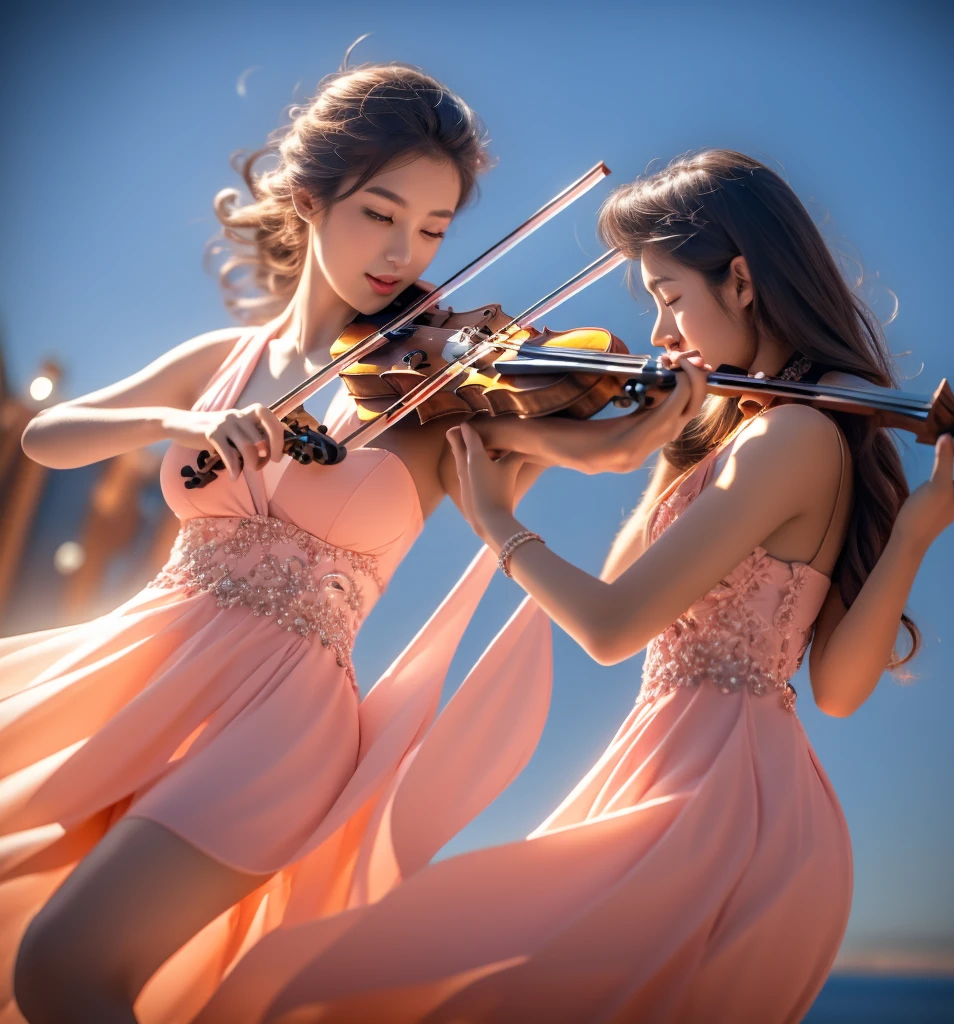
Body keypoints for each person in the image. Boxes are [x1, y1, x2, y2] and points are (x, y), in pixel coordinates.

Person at [191, 150, 954, 1024]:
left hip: (712, 795)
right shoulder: (769, 435)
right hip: (717, 778)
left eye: (668, 294)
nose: (659, 331)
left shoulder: (789, 439)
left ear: (740, 280)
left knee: (380, 981)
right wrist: (663, 447)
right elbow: (816, 686)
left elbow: (612, 627)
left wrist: (496, 519)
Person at [2, 60, 557, 1024]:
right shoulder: (228, 362)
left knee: (62, 967)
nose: (405, 252)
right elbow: (45, 438)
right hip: (154, 671)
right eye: (381, 214)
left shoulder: (431, 388)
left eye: (432, 228)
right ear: (310, 201)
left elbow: (584, 444)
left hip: (281, 720)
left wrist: (638, 409)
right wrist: (175, 425)